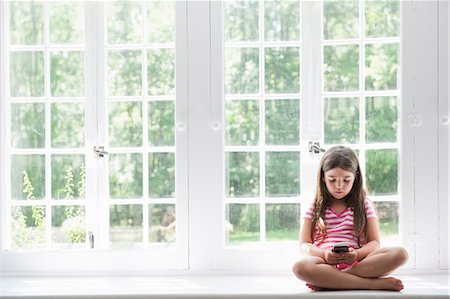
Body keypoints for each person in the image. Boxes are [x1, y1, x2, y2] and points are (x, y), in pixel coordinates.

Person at [292, 146, 408, 291]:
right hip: (325, 264)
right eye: (332, 180)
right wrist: (324, 254)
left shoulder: (364, 205)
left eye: (346, 180)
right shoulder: (315, 207)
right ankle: (371, 284)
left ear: (355, 177)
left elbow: (375, 242)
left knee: (400, 254)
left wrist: (357, 254)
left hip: (359, 263)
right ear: (323, 178)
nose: (339, 186)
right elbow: (304, 244)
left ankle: (332, 281)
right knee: (300, 267)